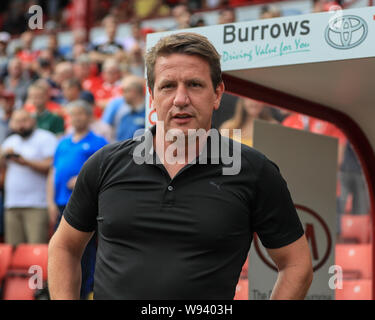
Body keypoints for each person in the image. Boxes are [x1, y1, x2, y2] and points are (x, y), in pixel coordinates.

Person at [48, 32, 313, 300]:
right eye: (168, 86)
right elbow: (64, 247)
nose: (180, 99)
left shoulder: (254, 171)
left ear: (217, 93)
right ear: (152, 96)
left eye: (195, 85)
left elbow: (296, 264)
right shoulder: (105, 165)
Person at [47, 99, 108, 299]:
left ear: (89, 116)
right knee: (62, 251)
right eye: (74, 114)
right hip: (61, 203)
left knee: (86, 253)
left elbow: (105, 171)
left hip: (86, 206)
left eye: (81, 113)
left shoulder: (99, 142)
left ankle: (87, 292)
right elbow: (53, 172)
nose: (77, 118)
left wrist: (83, 178)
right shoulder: (63, 143)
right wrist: (50, 202)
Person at [0, 109, 57, 246]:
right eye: (17, 121)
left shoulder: (45, 137)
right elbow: (3, 171)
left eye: (24, 121)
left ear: (32, 121)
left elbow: (51, 166)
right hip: (12, 203)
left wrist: (25, 162)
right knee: (13, 250)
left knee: (36, 249)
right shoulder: (9, 141)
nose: (21, 125)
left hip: (37, 203)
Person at [115, 75, 145, 141]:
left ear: (134, 91)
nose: (123, 95)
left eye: (125, 91)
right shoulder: (124, 117)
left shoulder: (147, 116)